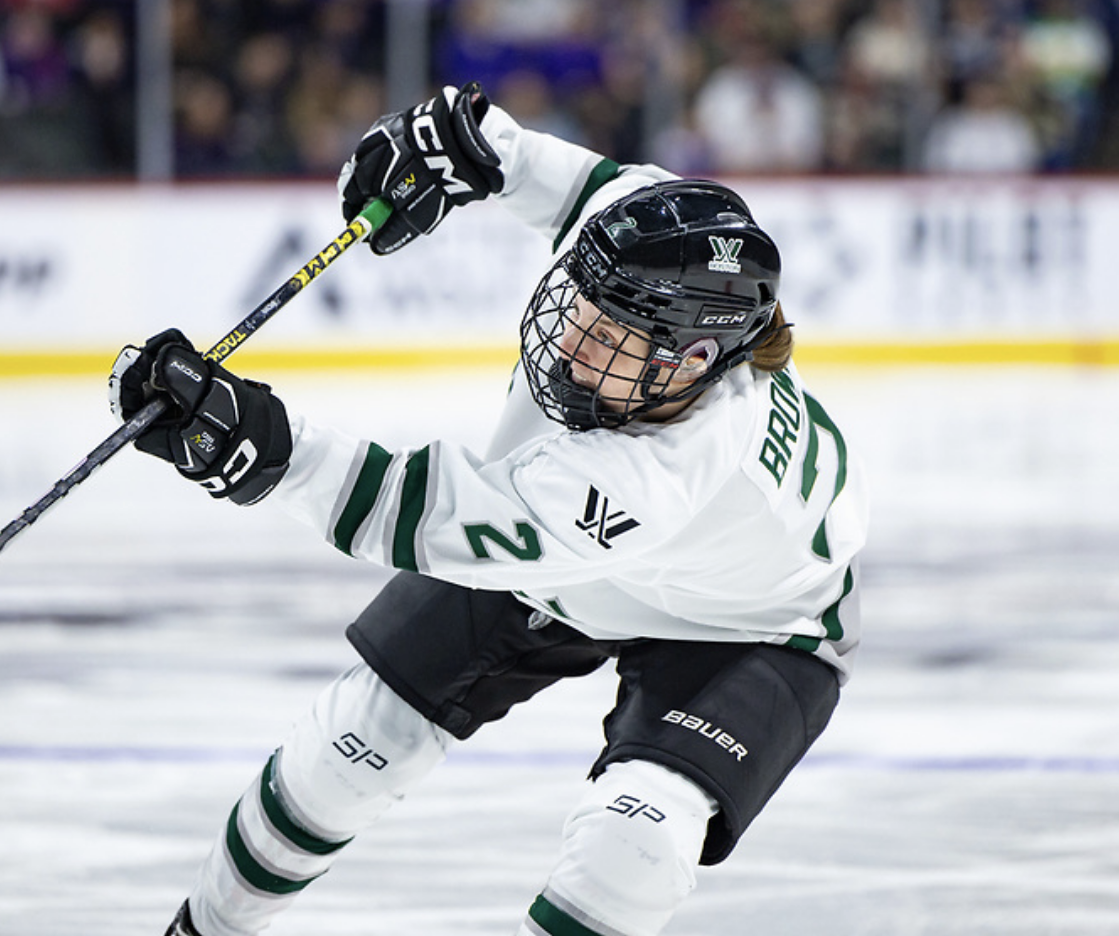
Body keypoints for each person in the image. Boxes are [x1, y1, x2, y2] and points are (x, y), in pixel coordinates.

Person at [109, 81, 868, 936]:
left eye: (611, 338)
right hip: (575, 556)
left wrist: (261, 446)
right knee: (348, 746)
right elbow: (566, 180)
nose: (572, 339)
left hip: (751, 623)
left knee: (634, 844)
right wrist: (462, 142)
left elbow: (416, 511)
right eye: (580, 303)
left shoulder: (657, 475)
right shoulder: (639, 254)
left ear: (692, 360)